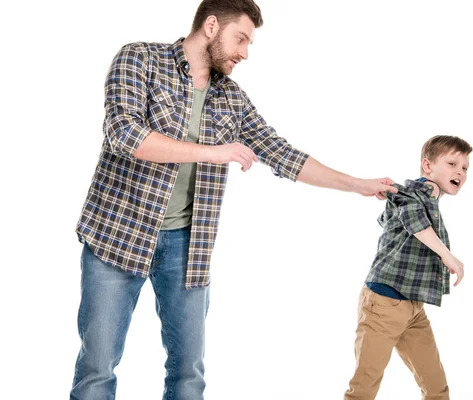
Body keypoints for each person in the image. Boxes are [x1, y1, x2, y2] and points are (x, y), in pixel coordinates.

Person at [70, 0, 397, 399]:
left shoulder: (231, 99)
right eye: (240, 38)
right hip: (116, 238)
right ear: (211, 26)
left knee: (188, 373)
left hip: (186, 248)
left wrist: (359, 184)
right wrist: (213, 150)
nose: (245, 52)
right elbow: (124, 134)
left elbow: (284, 154)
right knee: (97, 370)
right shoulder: (139, 58)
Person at [344, 135, 473, 400]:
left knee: (436, 387)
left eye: (465, 167)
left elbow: (388, 220)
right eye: (452, 163)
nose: (460, 171)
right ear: (428, 166)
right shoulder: (411, 193)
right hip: (383, 303)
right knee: (364, 389)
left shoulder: (427, 200)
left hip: (413, 308)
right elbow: (414, 222)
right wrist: (447, 255)